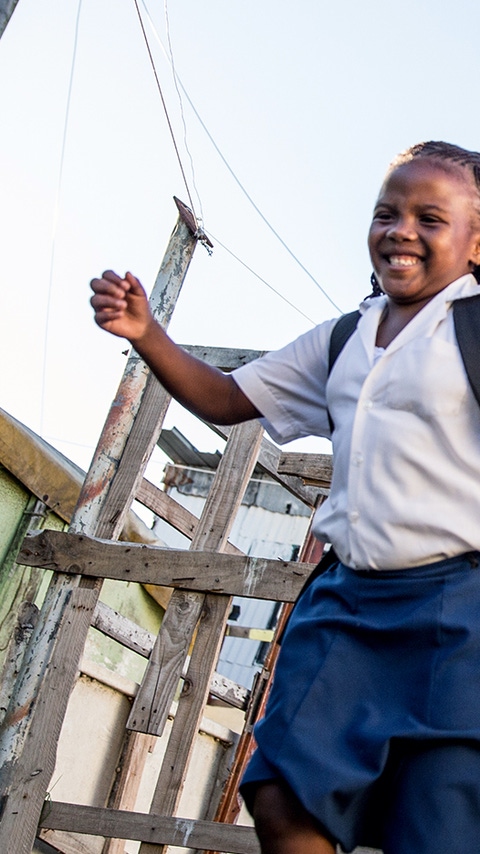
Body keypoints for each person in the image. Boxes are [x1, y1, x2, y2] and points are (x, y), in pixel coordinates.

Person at [90, 141, 480, 854]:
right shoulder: (345, 339)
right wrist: (148, 334)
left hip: (458, 611)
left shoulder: (473, 328)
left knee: (437, 827)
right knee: (280, 793)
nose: (401, 230)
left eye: (431, 218)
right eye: (387, 213)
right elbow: (231, 397)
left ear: (475, 241)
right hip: (347, 603)